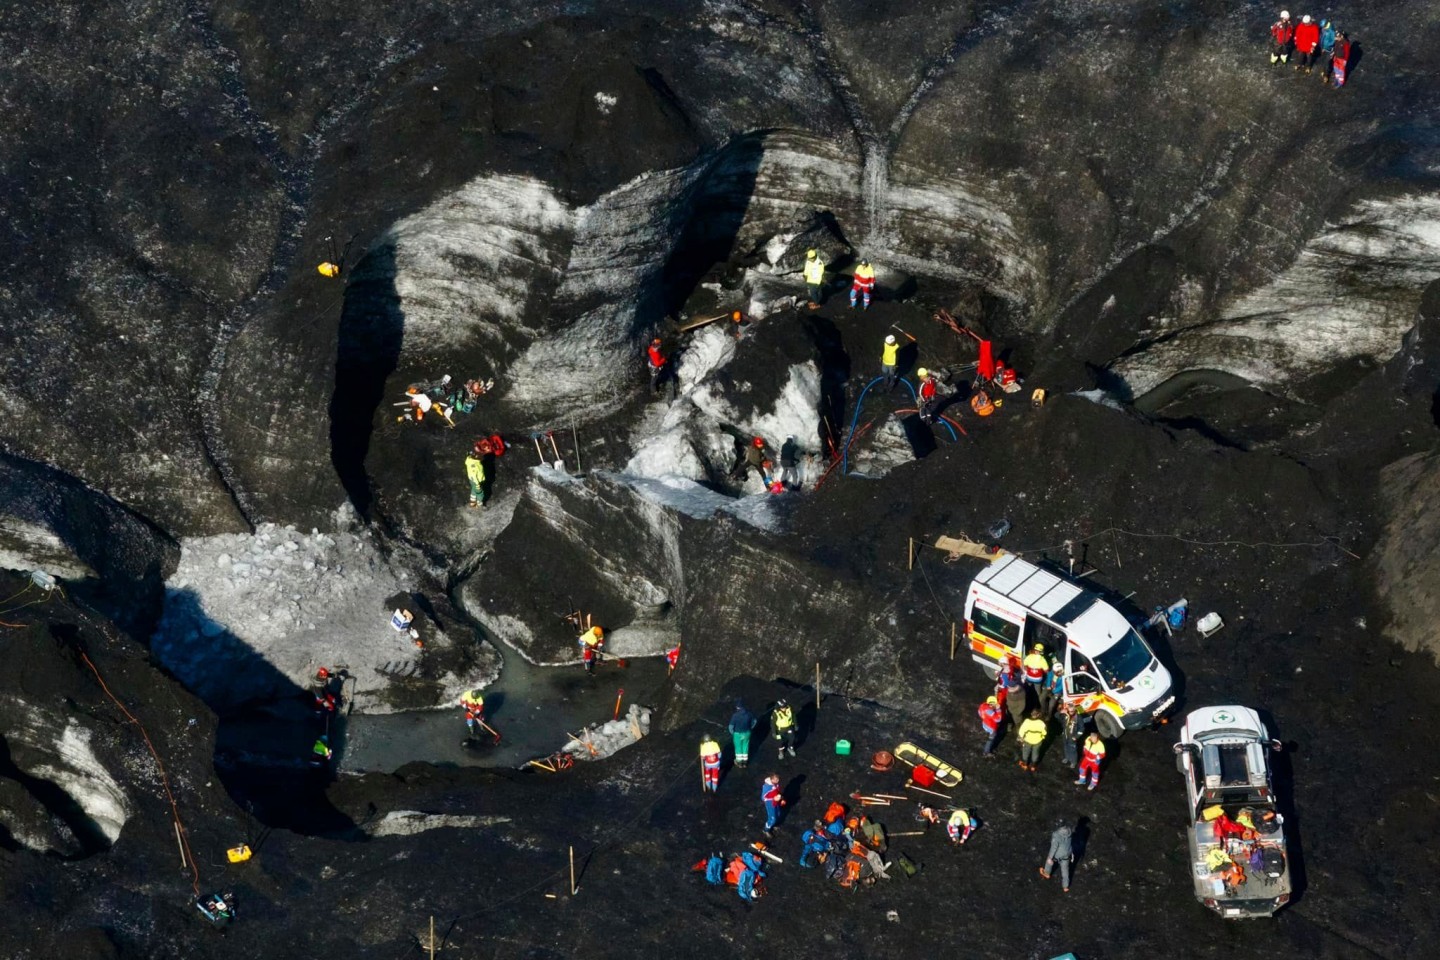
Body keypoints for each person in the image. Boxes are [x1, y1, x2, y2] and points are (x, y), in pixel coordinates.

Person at [1039, 819, 1074, 892]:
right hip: (1068, 853)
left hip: (1058, 854)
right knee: (1065, 870)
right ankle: (1065, 887)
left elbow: (1054, 847)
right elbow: (1069, 842)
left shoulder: (1056, 835)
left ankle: (1046, 873)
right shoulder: (1070, 831)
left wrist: (1050, 858)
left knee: (1048, 861)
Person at [998, 657, 1028, 725]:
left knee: (1005, 706)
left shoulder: (1005, 673)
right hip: (1018, 689)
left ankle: (1011, 722)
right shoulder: (1017, 670)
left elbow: (1004, 684)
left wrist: (1000, 686)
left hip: (1008, 693)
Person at [1058, 700, 1088, 768]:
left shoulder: (1078, 718)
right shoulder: (1065, 715)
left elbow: (1081, 729)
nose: (1070, 712)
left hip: (1073, 736)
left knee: (1073, 749)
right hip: (1065, 735)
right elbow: (1059, 719)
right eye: (1069, 711)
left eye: (1072, 711)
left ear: (1074, 710)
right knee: (1066, 747)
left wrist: (1076, 737)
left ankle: (1073, 762)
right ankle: (1067, 758)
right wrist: (1061, 712)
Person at [729, 699, 756, 768]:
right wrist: (750, 728)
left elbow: (731, 727)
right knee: (745, 746)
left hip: (737, 734)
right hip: (747, 733)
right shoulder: (749, 714)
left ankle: (739, 762)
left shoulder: (735, 715)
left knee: (738, 747)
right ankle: (744, 762)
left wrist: (733, 733)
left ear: (737, 707)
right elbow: (754, 722)